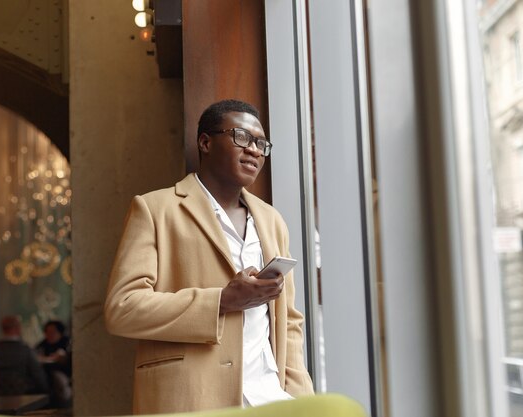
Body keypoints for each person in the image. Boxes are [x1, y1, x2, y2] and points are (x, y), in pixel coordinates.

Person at [104, 99, 314, 414]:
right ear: (205, 142)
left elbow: (290, 321)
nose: (254, 150)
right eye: (242, 138)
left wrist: (303, 400)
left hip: (271, 398)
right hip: (192, 399)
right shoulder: (155, 209)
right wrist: (222, 300)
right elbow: (123, 309)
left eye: (261, 144)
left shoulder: (272, 221)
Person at [0, 315, 48, 396]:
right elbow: (38, 375)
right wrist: (47, 391)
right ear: (18, 328)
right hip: (21, 395)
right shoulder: (25, 350)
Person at [36, 320, 72, 407]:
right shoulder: (42, 345)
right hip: (44, 381)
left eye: (53, 332)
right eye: (47, 332)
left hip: (64, 379)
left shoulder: (67, 343)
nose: (49, 335)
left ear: (60, 332)